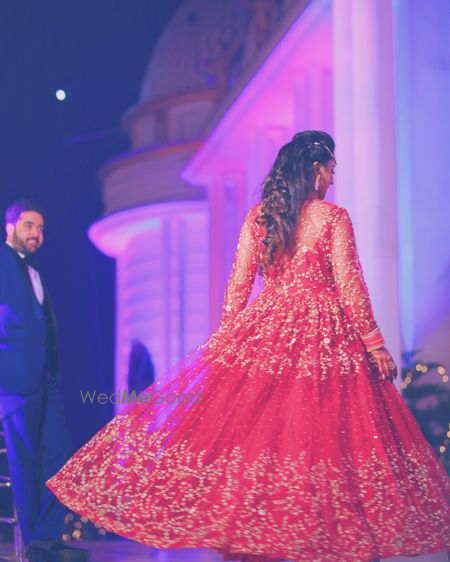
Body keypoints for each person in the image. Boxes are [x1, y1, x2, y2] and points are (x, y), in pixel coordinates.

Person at [46, 132, 449, 562]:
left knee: (268, 440)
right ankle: (314, 538)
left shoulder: (261, 217)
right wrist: (375, 344)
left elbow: (238, 286)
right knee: (326, 437)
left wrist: (232, 346)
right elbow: (350, 286)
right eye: (331, 168)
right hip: (325, 341)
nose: (333, 178)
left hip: (267, 333)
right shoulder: (333, 218)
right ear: (315, 170)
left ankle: (264, 536)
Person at [0, 200, 90, 562]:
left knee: (58, 455)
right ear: (10, 227)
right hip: (14, 376)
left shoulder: (34, 270)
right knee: (25, 460)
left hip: (46, 375)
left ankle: (46, 538)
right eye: (29, 226)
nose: (37, 234)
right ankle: (36, 547)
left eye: (40, 228)